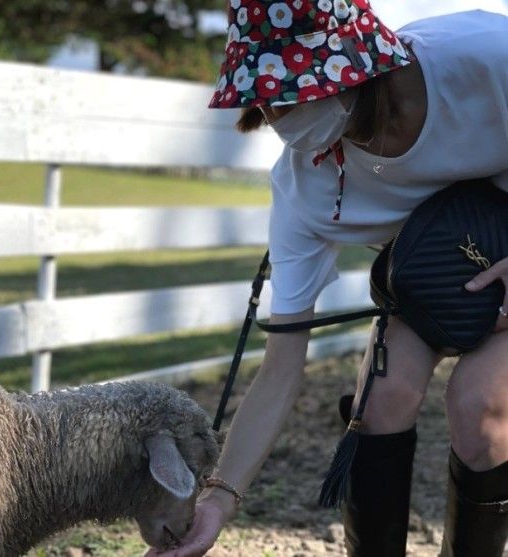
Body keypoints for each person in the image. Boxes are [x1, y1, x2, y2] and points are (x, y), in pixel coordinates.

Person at [144, 2, 508, 556]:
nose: (276, 116)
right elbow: (280, 370)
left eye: (289, 90)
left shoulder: (485, 56)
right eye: (264, 99)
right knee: (380, 401)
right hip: (436, 269)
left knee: (479, 404)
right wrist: (218, 500)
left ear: (354, 65)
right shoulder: (305, 189)